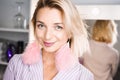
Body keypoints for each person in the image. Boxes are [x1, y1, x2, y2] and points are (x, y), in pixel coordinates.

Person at [3, 0, 94, 80]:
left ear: (70, 32)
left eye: (58, 27)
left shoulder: (84, 76)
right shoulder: (16, 64)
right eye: (41, 26)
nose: (47, 36)